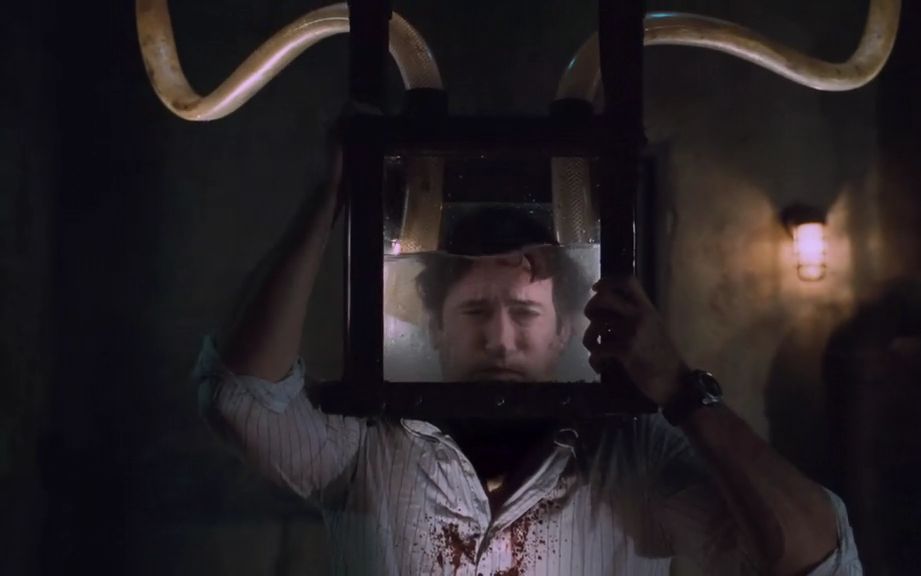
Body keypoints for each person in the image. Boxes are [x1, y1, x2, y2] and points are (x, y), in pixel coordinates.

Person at [194, 140, 862, 575]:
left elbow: (818, 561)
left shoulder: (630, 456)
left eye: (525, 313)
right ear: (435, 327)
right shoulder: (371, 445)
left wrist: (682, 390)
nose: (500, 339)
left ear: (565, 328)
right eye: (474, 313)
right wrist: (331, 198)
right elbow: (240, 399)